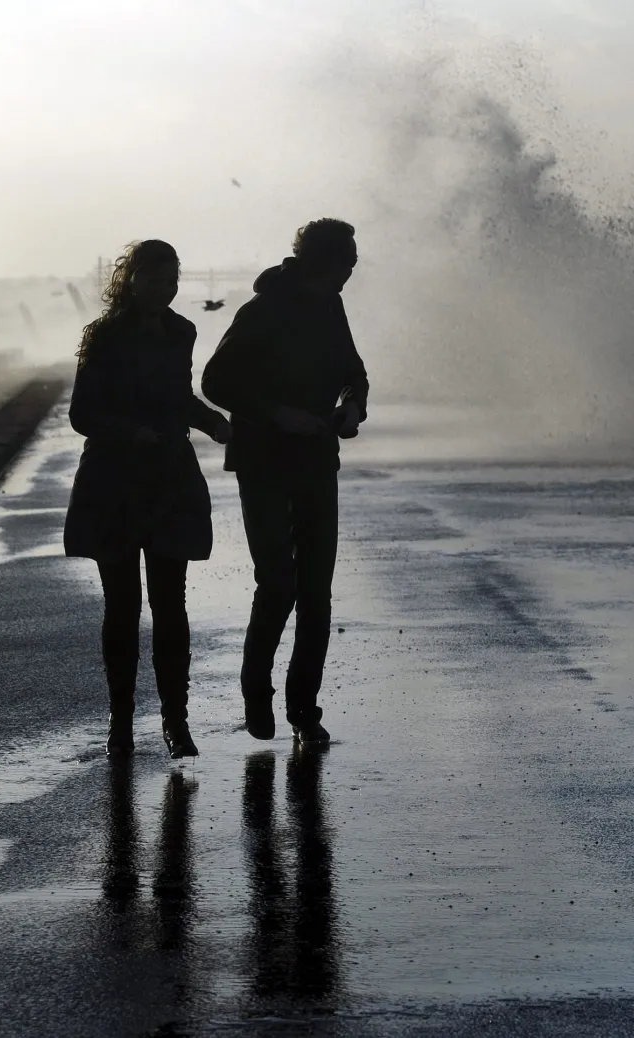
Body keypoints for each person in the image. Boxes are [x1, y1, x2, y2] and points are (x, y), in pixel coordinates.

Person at [201, 219, 368, 747]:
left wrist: (353, 404)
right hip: (264, 462)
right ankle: (257, 690)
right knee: (278, 584)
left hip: (318, 458)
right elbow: (214, 380)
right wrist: (278, 414)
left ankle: (304, 710)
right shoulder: (262, 310)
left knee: (316, 591)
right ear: (324, 263)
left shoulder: (331, 306)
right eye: (348, 261)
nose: (353, 270)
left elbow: (353, 371)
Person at [65, 239, 233, 759]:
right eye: (157, 280)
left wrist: (212, 423)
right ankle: (120, 722)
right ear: (132, 279)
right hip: (114, 480)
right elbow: (82, 414)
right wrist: (129, 432)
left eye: (172, 280)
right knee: (122, 606)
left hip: (168, 478)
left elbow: (179, 397)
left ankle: (175, 721)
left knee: (170, 604)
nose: (167, 290)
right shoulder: (104, 336)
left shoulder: (181, 331)